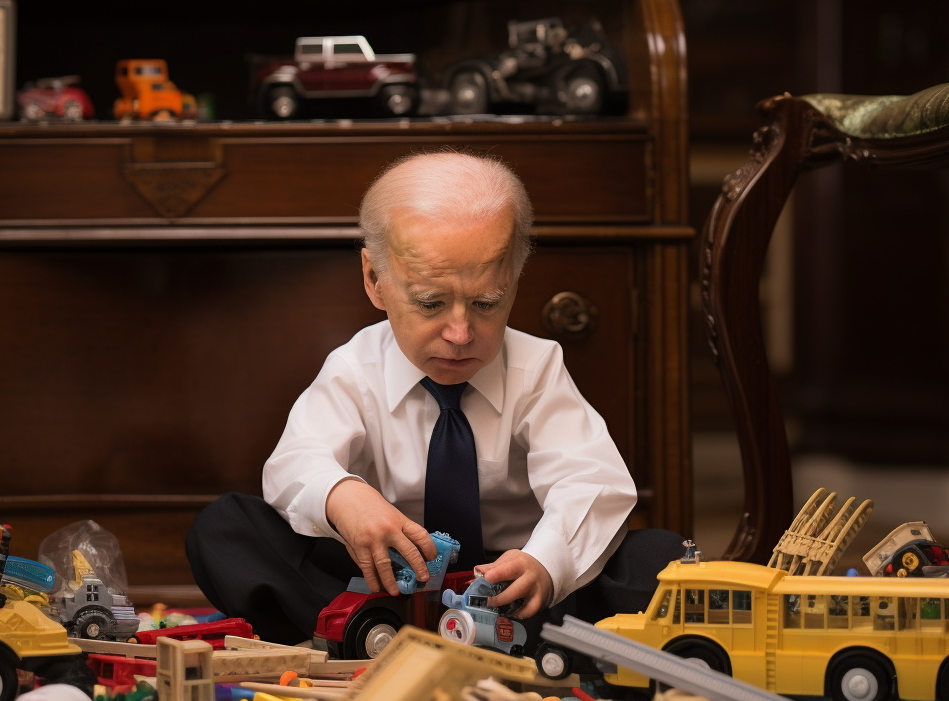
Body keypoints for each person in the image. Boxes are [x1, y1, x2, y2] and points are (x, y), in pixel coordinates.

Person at [187, 150, 684, 649]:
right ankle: (364, 631)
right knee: (224, 528)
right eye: (430, 303)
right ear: (374, 279)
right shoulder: (355, 368)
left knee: (657, 558)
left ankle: (520, 634)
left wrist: (545, 563)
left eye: (487, 303)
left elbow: (590, 479)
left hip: (508, 577)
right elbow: (295, 461)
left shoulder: (536, 368)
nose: (461, 332)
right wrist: (345, 497)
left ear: (515, 277)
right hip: (386, 577)